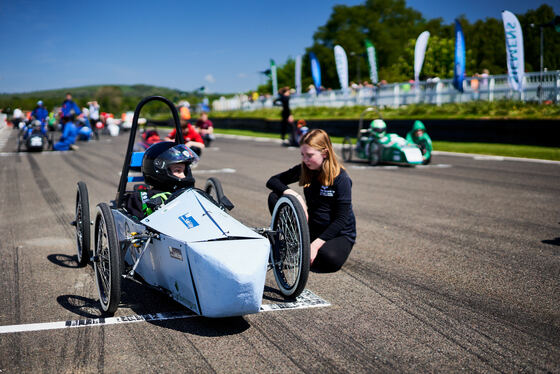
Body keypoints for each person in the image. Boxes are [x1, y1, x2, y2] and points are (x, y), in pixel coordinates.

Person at [266, 129, 356, 272]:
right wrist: (294, 196)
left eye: (309, 155)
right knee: (275, 197)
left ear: (325, 153)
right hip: (312, 226)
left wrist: (315, 245)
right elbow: (273, 181)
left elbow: (341, 219)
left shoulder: (341, 178)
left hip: (338, 233)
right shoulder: (305, 168)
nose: (305, 160)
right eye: (302, 154)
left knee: (329, 259)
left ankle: (305, 247)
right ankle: (294, 243)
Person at [124, 142, 198, 220]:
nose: (183, 176)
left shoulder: (189, 194)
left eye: (185, 171)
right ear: (160, 171)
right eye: (178, 171)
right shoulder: (141, 198)